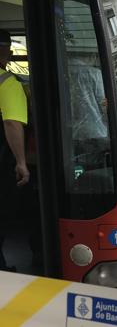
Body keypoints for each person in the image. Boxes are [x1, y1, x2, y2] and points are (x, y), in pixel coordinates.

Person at [0, 30, 29, 271]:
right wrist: (21, 161)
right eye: (8, 47)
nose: (10, 52)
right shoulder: (7, 82)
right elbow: (11, 123)